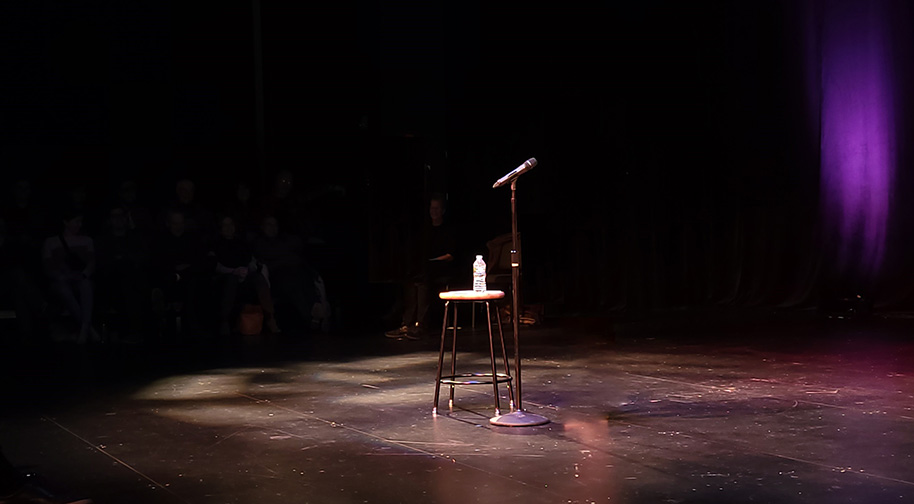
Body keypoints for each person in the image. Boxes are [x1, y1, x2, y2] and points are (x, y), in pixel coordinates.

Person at [385, 194, 456, 339]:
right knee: (412, 278)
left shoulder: (448, 230)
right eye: (432, 208)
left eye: (436, 208)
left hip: (442, 266)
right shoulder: (425, 230)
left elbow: (451, 255)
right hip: (426, 266)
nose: (433, 211)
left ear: (442, 211)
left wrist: (433, 261)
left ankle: (421, 325)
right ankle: (407, 323)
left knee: (423, 279)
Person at [209, 216, 280, 337]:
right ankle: (224, 322)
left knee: (258, 278)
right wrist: (232, 271)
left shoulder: (241, 243)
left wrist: (247, 270)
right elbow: (215, 265)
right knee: (231, 281)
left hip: (244, 276)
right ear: (220, 228)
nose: (229, 228)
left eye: (231, 224)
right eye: (225, 225)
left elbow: (250, 260)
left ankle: (270, 317)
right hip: (225, 278)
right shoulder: (215, 243)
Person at [42, 209, 99, 344]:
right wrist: (62, 276)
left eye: (81, 222)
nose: (79, 225)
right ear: (66, 222)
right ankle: (88, 328)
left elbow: (92, 262)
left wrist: (84, 274)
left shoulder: (87, 240)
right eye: (76, 221)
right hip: (60, 281)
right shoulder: (51, 242)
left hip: (81, 277)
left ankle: (84, 329)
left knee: (86, 284)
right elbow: (48, 266)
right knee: (63, 288)